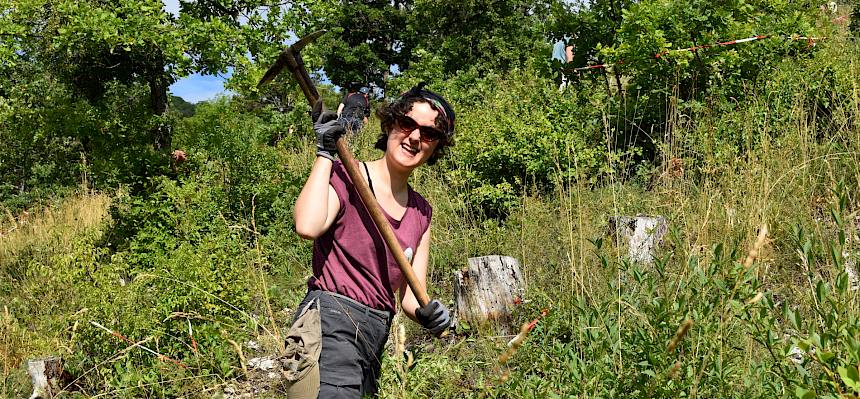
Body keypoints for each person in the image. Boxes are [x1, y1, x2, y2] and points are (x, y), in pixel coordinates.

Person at [289, 82, 455, 398]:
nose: (415, 137)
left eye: (429, 133)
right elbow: (308, 225)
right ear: (391, 123)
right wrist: (324, 152)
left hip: (375, 336)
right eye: (407, 124)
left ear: (436, 147)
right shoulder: (346, 175)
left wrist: (429, 313)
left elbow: (409, 296)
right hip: (330, 324)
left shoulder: (422, 212)